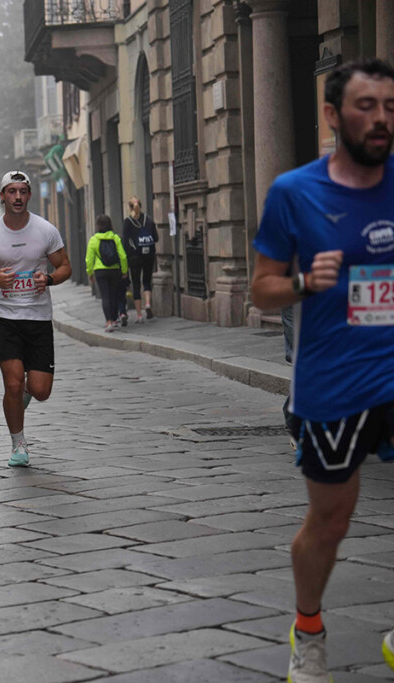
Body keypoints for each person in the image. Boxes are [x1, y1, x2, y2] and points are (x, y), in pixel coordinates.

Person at [249, 59, 394, 683]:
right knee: (330, 522)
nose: (381, 117)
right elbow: (261, 290)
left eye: (389, 105)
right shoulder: (294, 192)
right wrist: (306, 282)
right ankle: (308, 629)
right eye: (366, 105)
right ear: (333, 115)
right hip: (334, 384)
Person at [0, 170, 71, 468]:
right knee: (12, 384)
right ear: (2, 196)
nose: (17, 197)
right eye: (11, 191)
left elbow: (66, 267)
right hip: (6, 319)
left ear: (28, 195)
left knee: (40, 391)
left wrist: (49, 279)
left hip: (38, 318)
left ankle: (27, 391)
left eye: (23, 191)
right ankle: (19, 444)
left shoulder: (45, 230)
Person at [86, 215, 129, 333]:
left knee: (105, 296)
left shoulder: (94, 240)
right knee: (114, 294)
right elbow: (123, 256)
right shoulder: (115, 238)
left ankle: (108, 322)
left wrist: (90, 273)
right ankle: (115, 320)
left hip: (100, 271)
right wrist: (124, 271)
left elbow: (89, 259)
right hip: (114, 270)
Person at [123, 197, 159, 323]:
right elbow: (156, 238)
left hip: (134, 257)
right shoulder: (148, 220)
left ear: (130, 207)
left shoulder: (127, 222)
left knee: (136, 284)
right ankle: (148, 303)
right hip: (148, 255)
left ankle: (139, 315)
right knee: (147, 281)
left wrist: (126, 259)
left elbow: (125, 243)